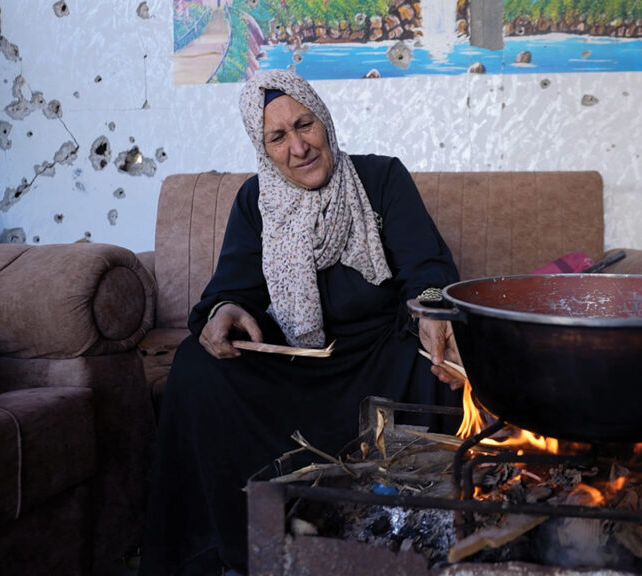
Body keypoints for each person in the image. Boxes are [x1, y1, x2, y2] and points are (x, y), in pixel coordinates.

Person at [139, 69, 464, 575]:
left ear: (325, 122)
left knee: (438, 356)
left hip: (380, 355)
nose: (299, 146)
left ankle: (427, 545)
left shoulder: (380, 179)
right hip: (298, 361)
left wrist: (429, 310)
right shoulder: (256, 202)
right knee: (196, 366)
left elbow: (427, 269)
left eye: (304, 125)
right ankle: (227, 551)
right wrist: (224, 311)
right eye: (278, 136)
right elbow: (231, 289)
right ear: (263, 147)